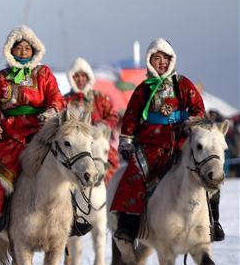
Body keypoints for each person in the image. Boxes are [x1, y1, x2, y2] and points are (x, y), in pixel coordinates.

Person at [111, 39, 213, 242]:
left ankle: (212, 221)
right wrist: (126, 141)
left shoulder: (183, 84)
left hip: (181, 143)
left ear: (172, 60)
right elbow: (131, 116)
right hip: (150, 144)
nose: (162, 63)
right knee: (134, 174)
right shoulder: (143, 89)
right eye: (157, 58)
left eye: (166, 58)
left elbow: (199, 110)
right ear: (149, 61)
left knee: (206, 172)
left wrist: (189, 122)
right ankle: (128, 225)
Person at [0, 26, 65, 234]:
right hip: (10, 134)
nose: (24, 51)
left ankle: (71, 217)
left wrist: (51, 112)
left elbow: (56, 98)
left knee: (66, 163)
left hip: (41, 131)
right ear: (11, 50)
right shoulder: (2, 77)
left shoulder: (44, 73)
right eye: (20, 48)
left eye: (28, 48)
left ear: (35, 50)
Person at [64, 57, 120, 184]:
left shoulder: (100, 98)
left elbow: (113, 116)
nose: (80, 79)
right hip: (76, 147)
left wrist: (102, 127)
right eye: (76, 76)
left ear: (89, 77)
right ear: (71, 78)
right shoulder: (65, 101)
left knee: (113, 170)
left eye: (83, 76)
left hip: (98, 145)